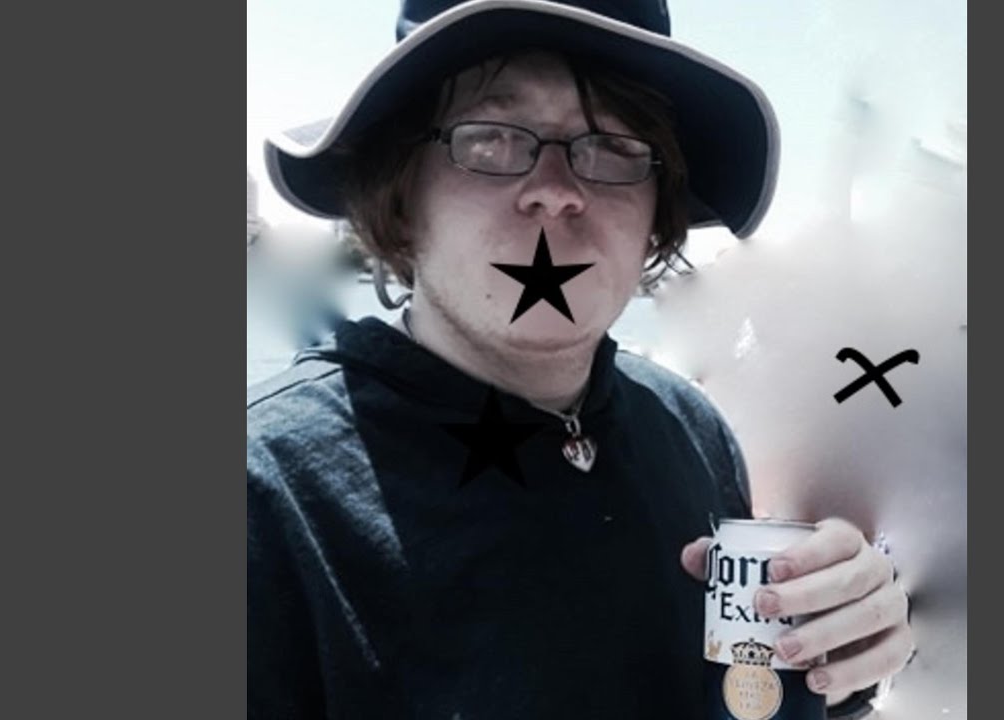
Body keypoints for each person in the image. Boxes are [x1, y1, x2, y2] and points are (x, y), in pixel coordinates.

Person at [248, 1, 914, 718]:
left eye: (612, 146)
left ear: (656, 214)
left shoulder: (691, 428)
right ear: (402, 194)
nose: (557, 191)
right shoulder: (266, 499)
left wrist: (836, 658)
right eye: (492, 139)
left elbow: (741, 693)